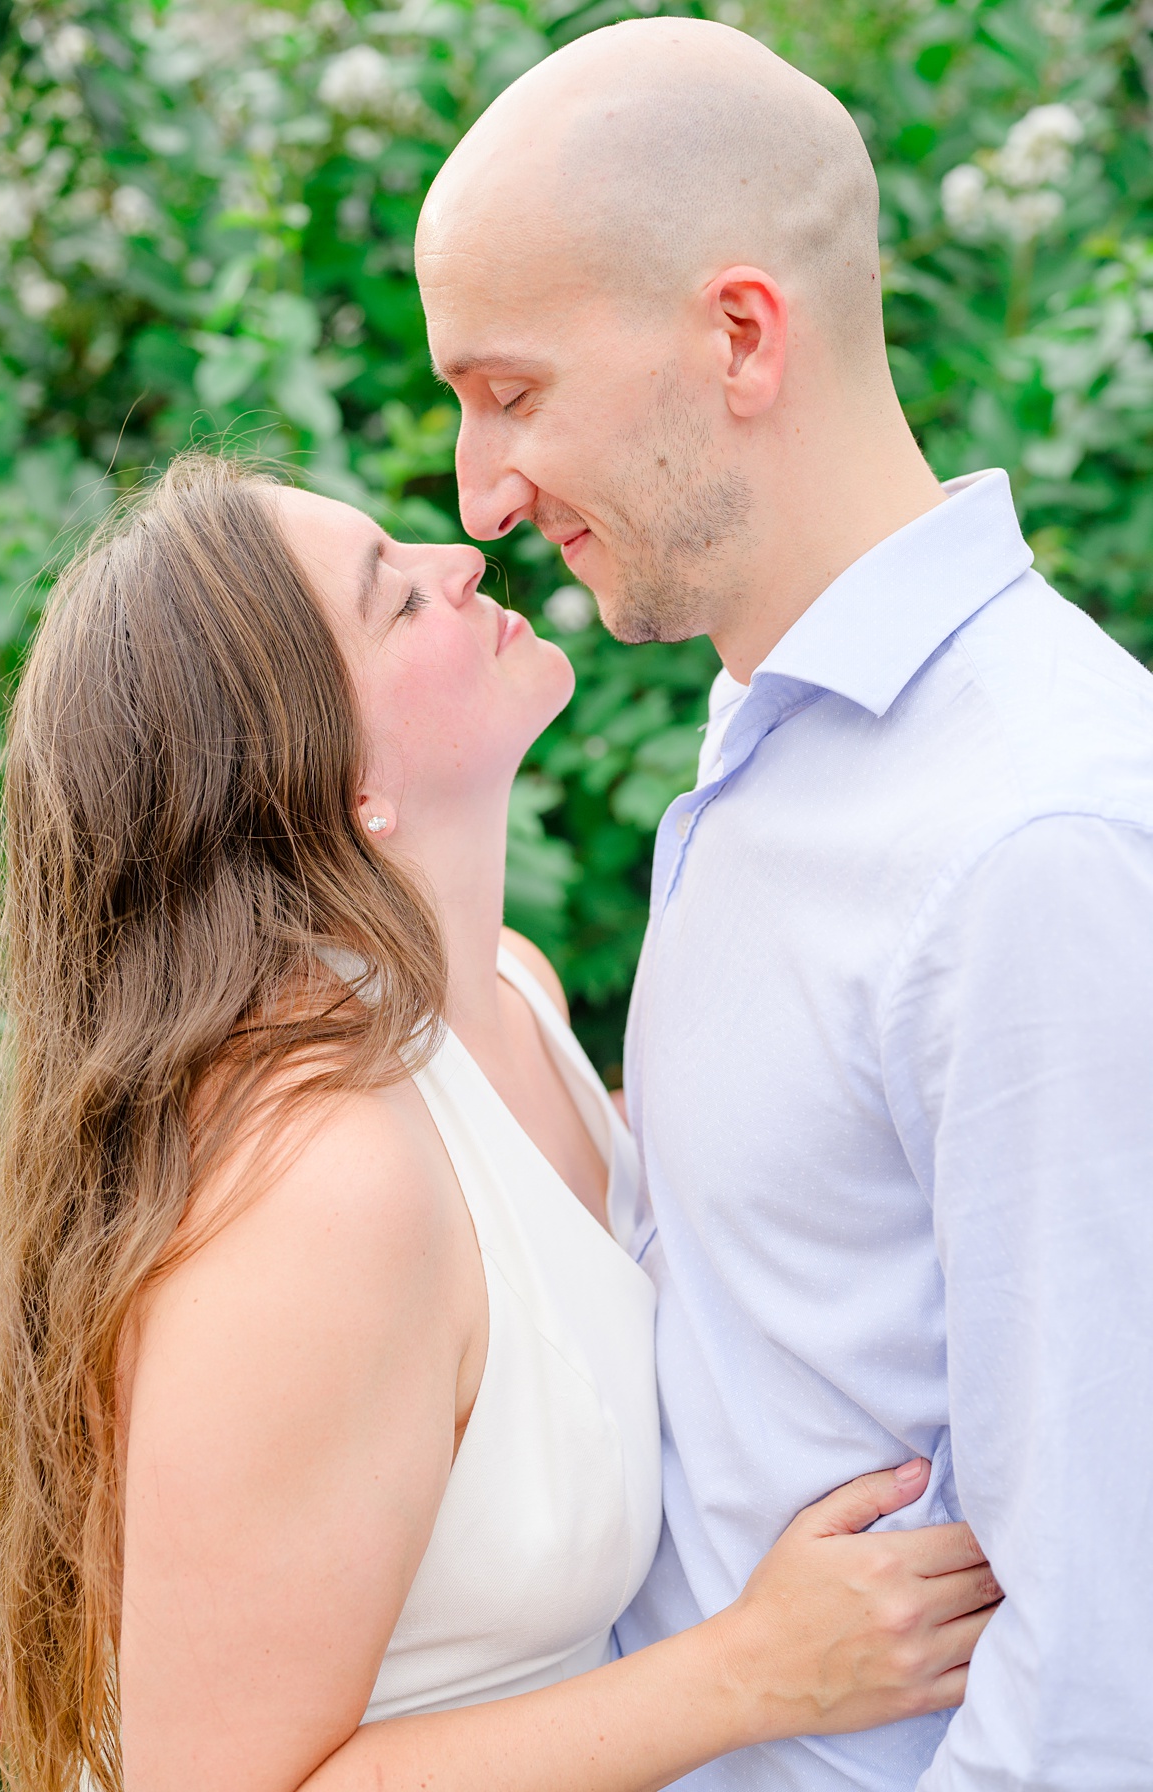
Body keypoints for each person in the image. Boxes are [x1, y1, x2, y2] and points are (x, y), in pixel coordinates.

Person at [0, 454, 1000, 1792]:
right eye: (395, 601)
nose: (459, 561)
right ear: (339, 787)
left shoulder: (510, 992)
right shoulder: (325, 1183)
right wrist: (755, 1670)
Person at [418, 18, 1153, 1787]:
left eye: (512, 392)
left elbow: (1102, 1666)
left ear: (741, 335)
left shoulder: (1036, 834)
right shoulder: (767, 740)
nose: (482, 493)